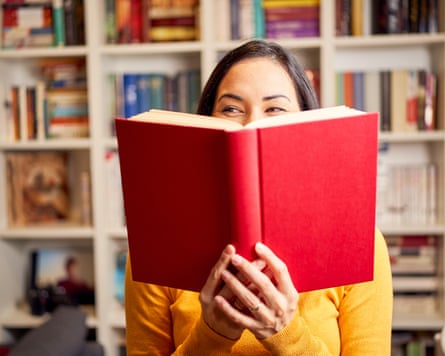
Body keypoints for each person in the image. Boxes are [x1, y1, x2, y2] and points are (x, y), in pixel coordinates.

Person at [125, 40, 393, 355]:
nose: (251, 124)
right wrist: (212, 335)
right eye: (231, 108)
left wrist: (285, 333)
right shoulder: (158, 248)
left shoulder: (362, 245)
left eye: (275, 109)